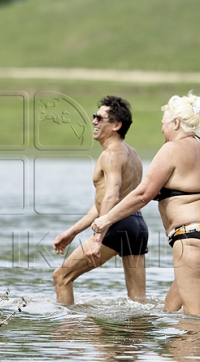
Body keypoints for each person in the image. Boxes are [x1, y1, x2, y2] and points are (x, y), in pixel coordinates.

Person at [91, 92, 200, 315]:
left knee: (196, 319)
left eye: (164, 124)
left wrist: (106, 219)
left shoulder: (172, 149)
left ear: (176, 123)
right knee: (170, 308)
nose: (162, 129)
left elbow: (143, 194)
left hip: (195, 238)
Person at [52, 95, 148, 305]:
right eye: (94, 117)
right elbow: (108, 202)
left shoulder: (110, 155)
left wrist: (97, 239)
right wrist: (72, 232)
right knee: (138, 301)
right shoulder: (133, 155)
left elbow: (112, 196)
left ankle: (66, 332)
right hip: (137, 226)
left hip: (116, 225)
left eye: (99, 118)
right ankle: (138, 336)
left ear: (116, 125)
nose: (94, 121)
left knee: (61, 277)